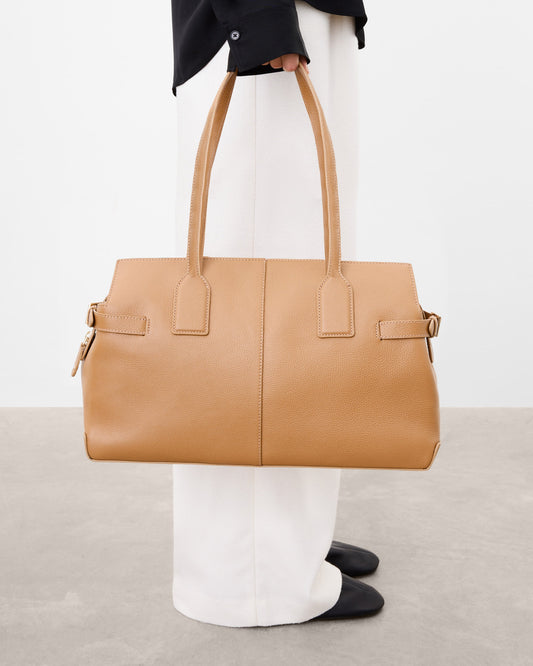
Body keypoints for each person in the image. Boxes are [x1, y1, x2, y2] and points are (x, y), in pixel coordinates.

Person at [170, 0, 384, 627]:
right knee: (257, 320)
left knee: (301, 300)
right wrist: (259, 17)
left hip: (301, 21)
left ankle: (292, 540)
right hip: (263, 27)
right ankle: (254, 578)